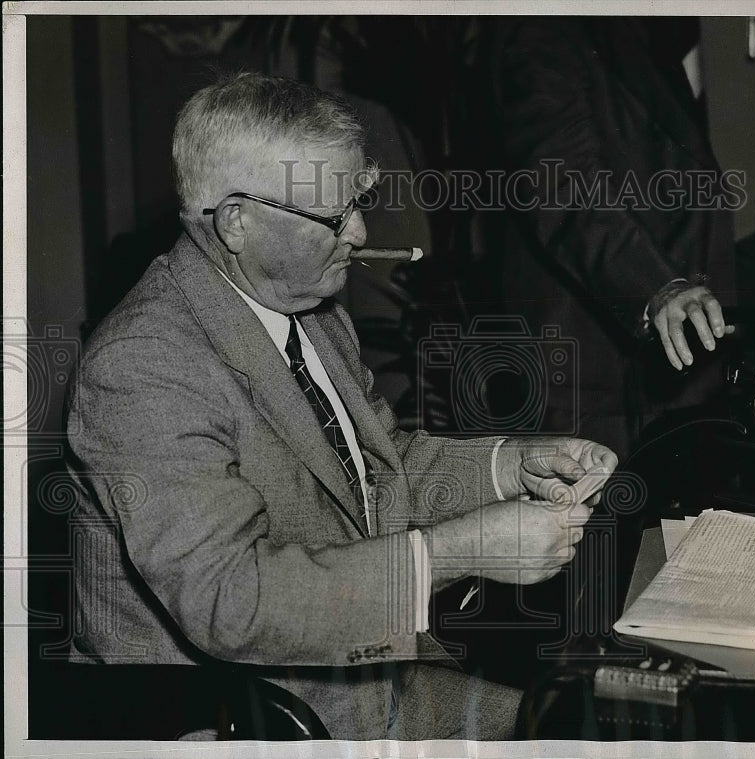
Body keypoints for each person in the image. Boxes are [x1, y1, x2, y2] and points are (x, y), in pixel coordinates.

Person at [65, 72, 617, 741]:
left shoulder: (309, 311)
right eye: (333, 216)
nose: (358, 232)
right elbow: (233, 599)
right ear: (237, 221)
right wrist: (453, 554)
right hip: (241, 722)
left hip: (360, 687)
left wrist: (512, 464)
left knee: (590, 726)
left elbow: (379, 465)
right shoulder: (143, 364)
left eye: (360, 201)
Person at [482, 18, 738, 457]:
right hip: (593, 370)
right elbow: (562, 187)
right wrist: (656, 286)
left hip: (673, 366)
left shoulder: (650, 31)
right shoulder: (544, 29)